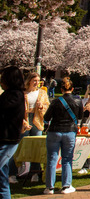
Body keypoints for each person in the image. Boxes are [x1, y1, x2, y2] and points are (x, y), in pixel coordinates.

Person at [42, 77, 83, 195]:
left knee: (52, 159)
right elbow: (80, 117)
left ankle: (49, 187)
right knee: (67, 159)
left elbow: (46, 118)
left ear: (61, 88)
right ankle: (66, 185)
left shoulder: (55, 102)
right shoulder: (78, 101)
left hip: (55, 131)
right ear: (73, 88)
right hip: (70, 132)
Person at [9, 72, 49, 184]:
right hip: (24, 120)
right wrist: (23, 121)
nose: (36, 83)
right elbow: (16, 108)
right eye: (34, 80)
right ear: (29, 81)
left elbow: (47, 106)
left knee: (36, 148)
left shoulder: (42, 93)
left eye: (38, 81)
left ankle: (35, 172)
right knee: (19, 146)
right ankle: (12, 173)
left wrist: (41, 107)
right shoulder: (23, 92)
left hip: (37, 120)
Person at [0, 67, 26, 199]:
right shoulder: (10, 94)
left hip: (8, 140)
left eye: (3, 79)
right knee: (2, 176)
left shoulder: (15, 95)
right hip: (6, 139)